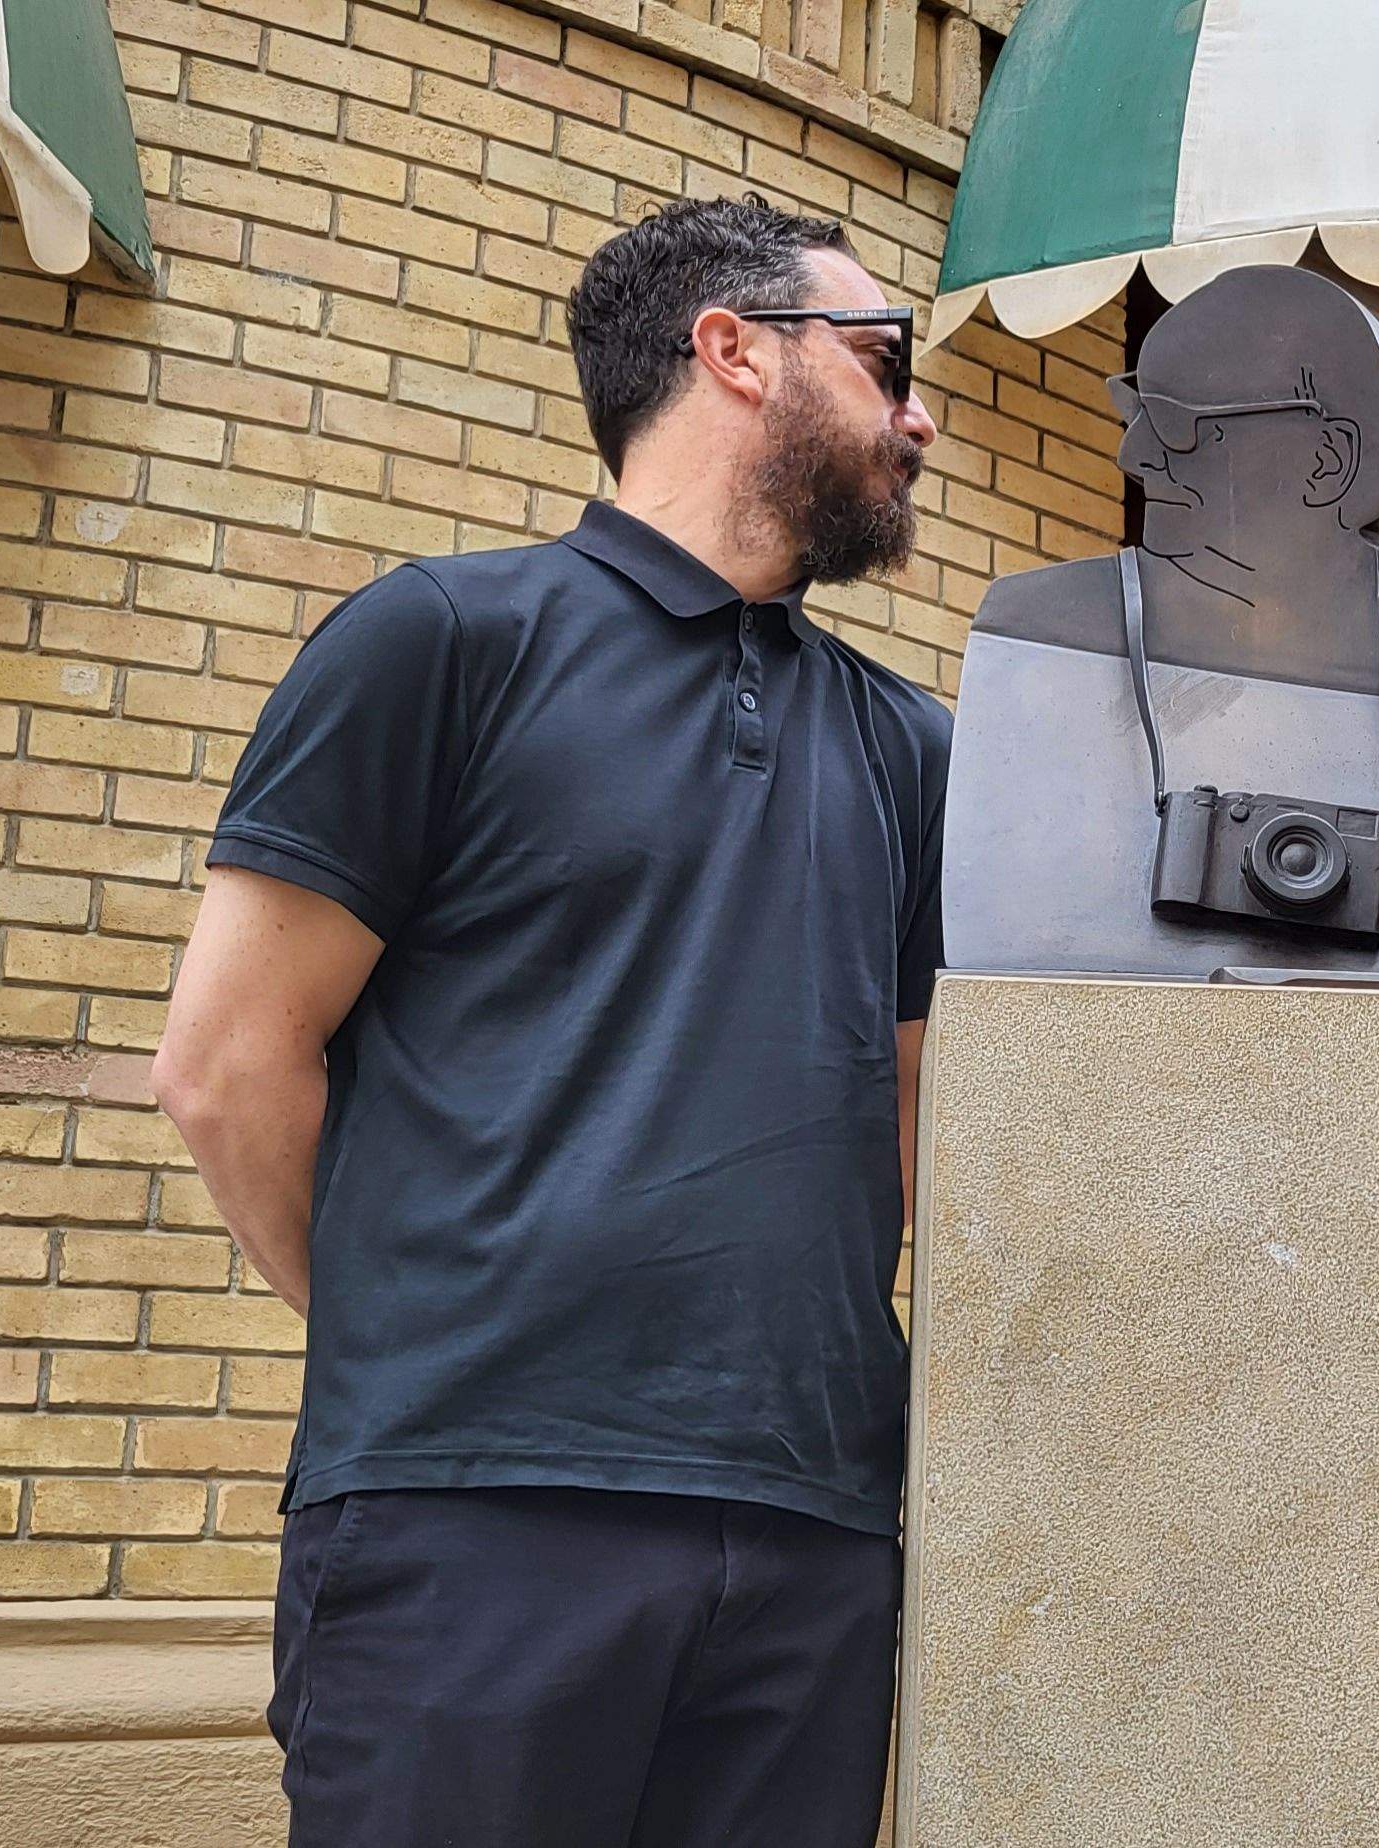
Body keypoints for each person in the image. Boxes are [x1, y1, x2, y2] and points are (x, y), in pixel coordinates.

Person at [153, 194, 946, 1848]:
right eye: (885, 359)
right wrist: (435, 1338)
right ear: (731, 352)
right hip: (475, 1523)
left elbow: (918, 1126)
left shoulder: (910, 746)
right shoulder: (442, 641)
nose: (919, 411)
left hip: (814, 1535)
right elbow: (230, 1068)